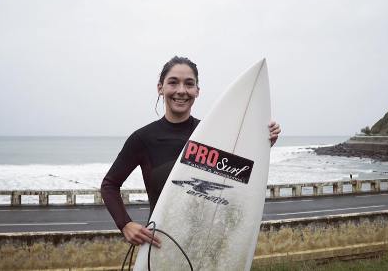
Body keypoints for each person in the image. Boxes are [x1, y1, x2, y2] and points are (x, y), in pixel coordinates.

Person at [101, 56, 281, 249]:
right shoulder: (143, 139)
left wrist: (262, 145)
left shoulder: (213, 133)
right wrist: (125, 224)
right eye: (173, 82)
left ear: (197, 91)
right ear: (160, 88)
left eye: (189, 84)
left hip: (209, 247)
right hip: (162, 247)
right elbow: (109, 185)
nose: (181, 91)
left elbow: (238, 175)